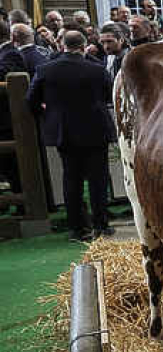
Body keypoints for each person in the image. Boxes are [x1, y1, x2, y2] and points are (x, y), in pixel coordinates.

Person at [27, 31, 117, 241]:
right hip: (95, 129)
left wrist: (47, 116)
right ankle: (101, 225)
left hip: (64, 131)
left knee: (71, 179)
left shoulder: (45, 70)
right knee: (98, 179)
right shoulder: (97, 69)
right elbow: (108, 95)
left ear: (62, 45)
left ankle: (77, 228)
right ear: (84, 46)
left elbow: (31, 100)